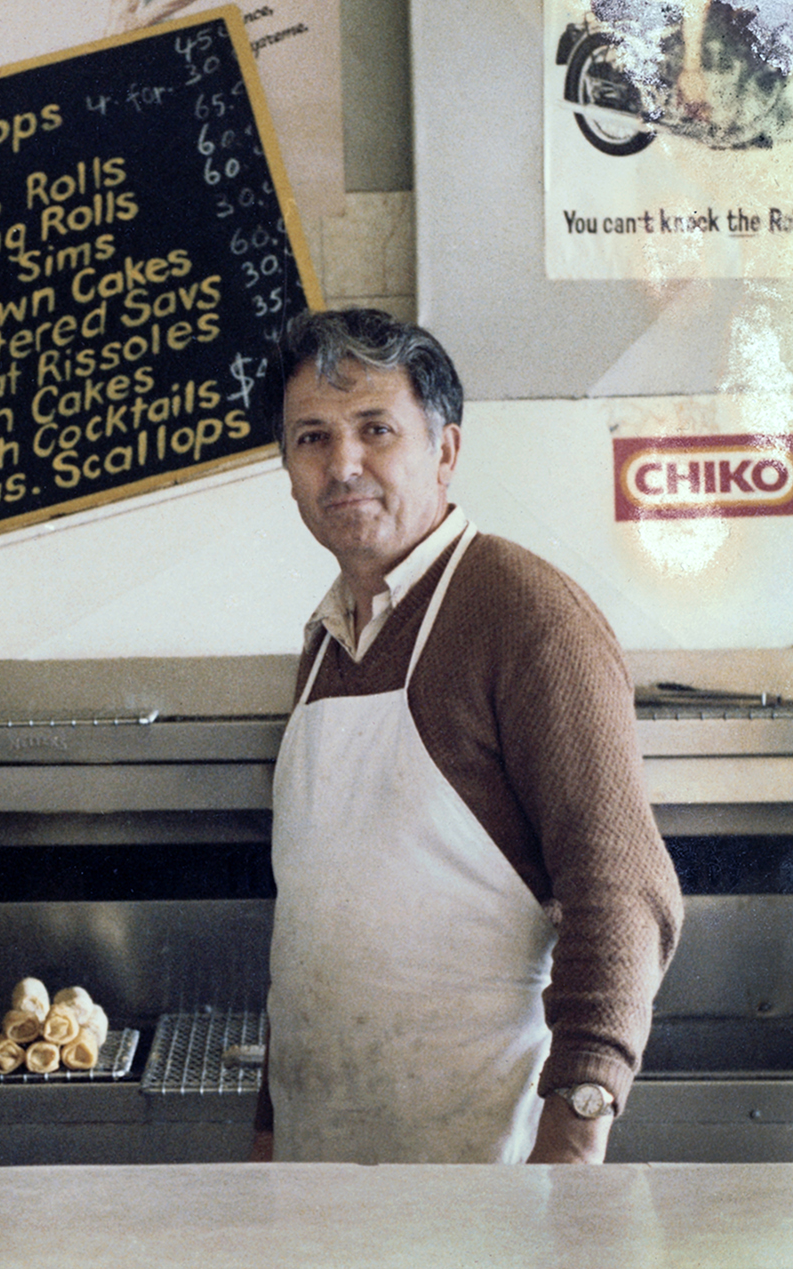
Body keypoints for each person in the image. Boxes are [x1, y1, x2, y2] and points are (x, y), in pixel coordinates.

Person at [251, 308, 682, 1165]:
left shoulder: (526, 613)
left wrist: (574, 1141)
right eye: (311, 438)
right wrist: (270, 1133)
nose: (343, 464)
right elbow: (307, 939)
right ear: (289, 471)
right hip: (319, 1174)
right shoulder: (325, 643)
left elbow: (624, 891)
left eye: (376, 429)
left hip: (489, 1177)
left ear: (445, 450)